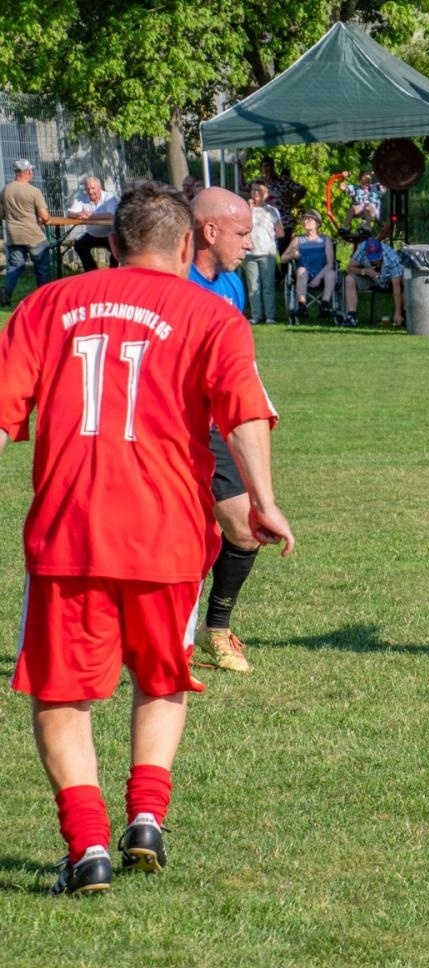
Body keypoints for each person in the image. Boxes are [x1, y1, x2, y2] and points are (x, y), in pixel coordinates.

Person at [0, 181, 293, 895]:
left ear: (112, 241)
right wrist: (265, 500)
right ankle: (147, 821)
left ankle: (88, 845)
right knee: (163, 676)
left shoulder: (46, 305)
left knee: (62, 696)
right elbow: (244, 410)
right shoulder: (211, 313)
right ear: (188, 243)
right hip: (168, 533)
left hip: (72, 531)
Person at [188, 187, 275, 674]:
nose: (250, 243)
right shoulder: (172, 281)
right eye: (242, 233)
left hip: (219, 421)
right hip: (172, 424)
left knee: (244, 528)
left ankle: (215, 627)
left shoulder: (232, 284)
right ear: (210, 230)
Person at [2, 159, 52, 307]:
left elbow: (0, 214)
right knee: (42, 267)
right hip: (33, 235)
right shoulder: (34, 191)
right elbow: (45, 217)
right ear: (28, 172)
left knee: (15, 266)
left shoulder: (5, 190)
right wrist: (42, 221)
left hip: (13, 235)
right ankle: (44, 297)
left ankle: (6, 292)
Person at [241, 181, 283, 325]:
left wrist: (269, 237)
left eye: (259, 191)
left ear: (266, 194)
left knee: (267, 285)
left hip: (266, 253)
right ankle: (256, 315)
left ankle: (270, 315)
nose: (255, 193)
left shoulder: (272, 211)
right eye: (253, 190)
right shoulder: (246, 210)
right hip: (250, 253)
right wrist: (248, 209)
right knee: (253, 286)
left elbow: (280, 232)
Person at [340, 235, 405, 328]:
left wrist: (397, 312)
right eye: (372, 258)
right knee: (349, 279)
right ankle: (351, 316)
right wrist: (365, 271)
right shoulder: (362, 249)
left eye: (377, 258)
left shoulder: (392, 258)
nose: (374, 261)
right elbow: (349, 269)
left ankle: (403, 315)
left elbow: (396, 286)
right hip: (368, 277)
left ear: (381, 252)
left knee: (406, 281)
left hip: (388, 279)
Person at [280, 208, 336, 314]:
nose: (305, 222)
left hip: (322, 273)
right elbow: (282, 258)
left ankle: (325, 304)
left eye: (309, 220)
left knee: (332, 274)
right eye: (304, 219)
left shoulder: (325, 239)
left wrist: (318, 278)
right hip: (304, 273)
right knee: (301, 270)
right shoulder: (298, 239)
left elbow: (330, 263)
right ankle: (302, 305)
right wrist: (293, 255)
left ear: (317, 223)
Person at [66, 175, 119, 272]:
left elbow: (112, 214)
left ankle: (113, 273)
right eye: (87, 189)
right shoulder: (81, 197)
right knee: (79, 245)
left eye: (93, 188)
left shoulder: (109, 197)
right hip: (92, 235)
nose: (90, 192)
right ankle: (92, 272)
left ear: (100, 187)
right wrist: (78, 214)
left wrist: (91, 216)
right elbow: (69, 213)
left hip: (109, 235)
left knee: (118, 248)